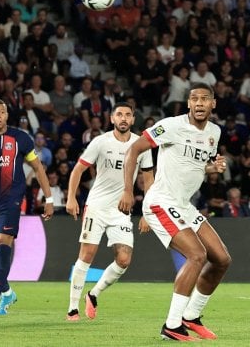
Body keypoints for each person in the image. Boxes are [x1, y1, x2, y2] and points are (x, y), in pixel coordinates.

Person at [118, 83, 231, 341]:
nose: (200, 103)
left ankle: (191, 316)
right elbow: (134, 149)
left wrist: (213, 169)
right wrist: (127, 190)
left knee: (222, 259)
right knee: (196, 255)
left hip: (183, 205)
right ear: (188, 103)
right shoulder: (171, 125)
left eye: (205, 99)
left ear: (213, 103)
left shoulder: (214, 132)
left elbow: (197, 166)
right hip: (160, 201)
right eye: (195, 99)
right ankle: (171, 325)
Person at [65, 102, 154, 321]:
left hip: (122, 209)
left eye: (127, 115)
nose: (123, 118)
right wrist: (71, 198)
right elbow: (78, 169)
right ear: (112, 119)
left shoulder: (141, 145)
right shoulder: (101, 142)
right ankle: (72, 309)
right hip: (97, 206)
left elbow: (148, 179)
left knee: (124, 260)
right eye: (119, 115)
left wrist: (147, 212)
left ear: (133, 119)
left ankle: (93, 294)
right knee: (86, 256)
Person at [0, 99, 54, 316]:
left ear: (6, 116)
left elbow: (37, 167)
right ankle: (6, 292)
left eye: (1, 112)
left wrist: (49, 199)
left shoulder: (20, 138)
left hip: (11, 200)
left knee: (4, 241)